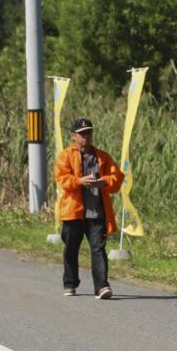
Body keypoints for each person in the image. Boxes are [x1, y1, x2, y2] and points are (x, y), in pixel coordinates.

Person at [54, 117, 124, 299]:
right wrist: (79, 181)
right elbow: (62, 179)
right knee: (71, 248)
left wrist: (104, 182)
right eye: (82, 133)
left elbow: (116, 179)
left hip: (97, 212)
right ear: (73, 136)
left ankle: (102, 287)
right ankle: (70, 283)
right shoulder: (65, 156)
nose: (86, 136)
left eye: (89, 132)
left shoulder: (103, 157)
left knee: (98, 249)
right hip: (73, 212)